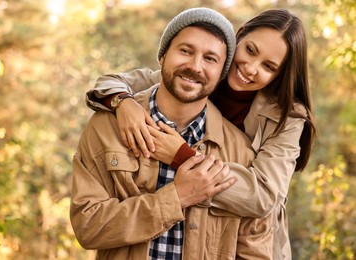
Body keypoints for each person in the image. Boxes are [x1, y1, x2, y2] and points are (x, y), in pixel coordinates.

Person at [85, 8, 317, 260]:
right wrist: (123, 103)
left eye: (268, 66)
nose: (250, 69)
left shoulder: (288, 116)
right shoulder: (198, 75)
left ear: (280, 74)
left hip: (238, 232)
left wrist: (182, 156)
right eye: (250, 50)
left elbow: (262, 196)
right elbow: (112, 82)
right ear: (238, 37)